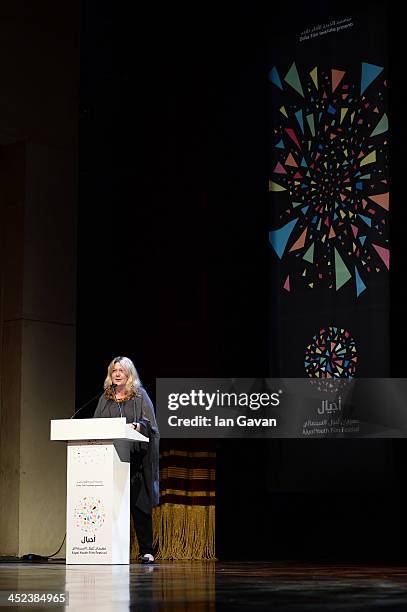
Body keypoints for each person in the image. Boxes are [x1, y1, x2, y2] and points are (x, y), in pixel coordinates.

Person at [93, 356, 159, 564]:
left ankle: (146, 550)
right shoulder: (105, 398)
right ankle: (108, 549)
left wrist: (138, 427)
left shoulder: (139, 396)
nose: (117, 374)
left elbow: (150, 424)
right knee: (111, 507)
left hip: (136, 459)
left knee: (139, 506)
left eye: (121, 370)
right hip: (111, 460)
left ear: (129, 374)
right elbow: (95, 425)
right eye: (114, 371)